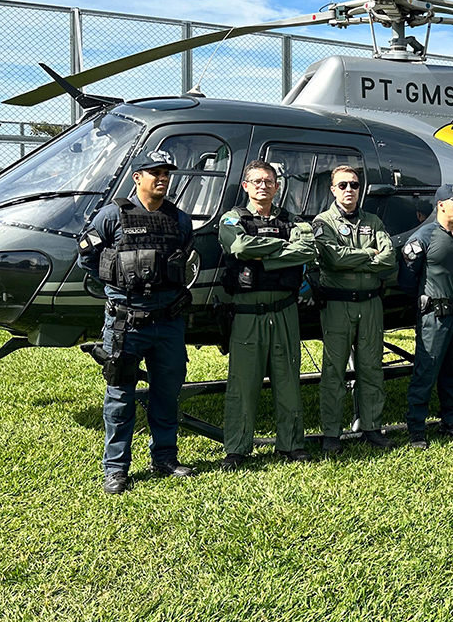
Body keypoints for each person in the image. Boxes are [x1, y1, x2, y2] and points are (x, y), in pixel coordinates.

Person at [77, 149, 196, 495]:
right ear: (137, 177)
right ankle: (116, 469)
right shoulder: (112, 216)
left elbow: (186, 261)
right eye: (153, 172)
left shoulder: (180, 220)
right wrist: (118, 288)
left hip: (169, 323)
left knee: (167, 393)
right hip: (125, 324)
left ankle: (165, 458)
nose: (161, 178)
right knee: (119, 396)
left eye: (166, 173)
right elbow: (88, 258)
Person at [218, 160, 319, 470]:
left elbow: (309, 249)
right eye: (256, 181)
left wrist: (264, 255)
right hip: (248, 314)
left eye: (269, 181)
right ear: (246, 186)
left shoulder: (293, 220)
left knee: (288, 379)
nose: (263, 186)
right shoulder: (232, 219)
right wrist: (282, 249)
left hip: (285, 312)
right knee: (242, 383)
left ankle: (291, 444)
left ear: (277, 187)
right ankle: (237, 448)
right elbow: (239, 247)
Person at [312, 165, 396, 455]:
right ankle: (332, 433)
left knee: (371, 367)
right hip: (337, 305)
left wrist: (358, 259)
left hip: (370, 304)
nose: (350, 190)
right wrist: (368, 254)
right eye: (343, 185)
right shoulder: (323, 222)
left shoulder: (373, 221)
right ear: (333, 190)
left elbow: (389, 259)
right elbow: (333, 258)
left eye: (355, 185)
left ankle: (372, 426)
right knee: (334, 370)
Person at [398, 184, 453, 449]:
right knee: (426, 371)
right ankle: (417, 429)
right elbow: (407, 279)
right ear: (441, 205)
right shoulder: (423, 237)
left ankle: (450, 422)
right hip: (434, 316)